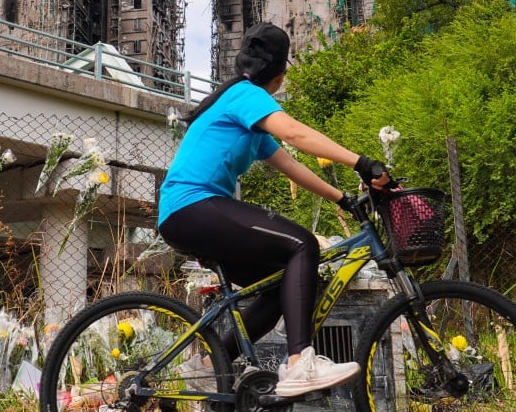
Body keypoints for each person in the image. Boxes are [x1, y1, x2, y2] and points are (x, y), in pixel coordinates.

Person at [158, 22, 392, 398]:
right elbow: (296, 133)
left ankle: (206, 368)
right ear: (279, 75)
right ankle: (300, 362)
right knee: (302, 245)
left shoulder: (247, 117)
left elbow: (292, 164)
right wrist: (362, 162)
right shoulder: (245, 96)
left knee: (279, 286)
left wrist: (342, 199)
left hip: (191, 213)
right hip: (192, 206)